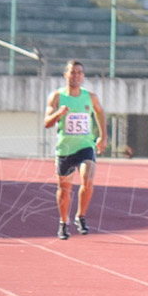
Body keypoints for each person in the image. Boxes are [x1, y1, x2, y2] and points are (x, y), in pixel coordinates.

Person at [43, 60, 106, 240]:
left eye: (79, 73)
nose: (76, 76)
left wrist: (103, 136)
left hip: (86, 145)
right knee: (64, 188)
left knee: (88, 179)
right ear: (66, 75)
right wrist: (59, 113)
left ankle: (81, 215)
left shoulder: (90, 97)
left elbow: (100, 113)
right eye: (72, 72)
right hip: (65, 148)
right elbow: (46, 123)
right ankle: (64, 222)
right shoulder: (56, 97)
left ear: (83, 76)